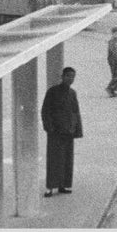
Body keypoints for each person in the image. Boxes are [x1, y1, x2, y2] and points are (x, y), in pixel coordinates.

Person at [41, 67, 84, 197]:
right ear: (62, 76)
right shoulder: (53, 92)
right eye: (68, 76)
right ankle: (50, 187)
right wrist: (49, 127)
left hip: (68, 131)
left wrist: (77, 129)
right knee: (54, 159)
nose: (70, 79)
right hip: (55, 132)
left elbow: (76, 112)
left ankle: (63, 185)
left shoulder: (72, 93)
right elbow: (45, 110)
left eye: (73, 77)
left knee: (66, 159)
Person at [106, 26, 117, 97]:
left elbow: (116, 51)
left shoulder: (116, 40)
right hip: (113, 60)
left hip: (116, 60)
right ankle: (110, 88)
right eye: (115, 33)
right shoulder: (112, 41)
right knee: (116, 75)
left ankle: (112, 90)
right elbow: (113, 51)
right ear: (112, 33)